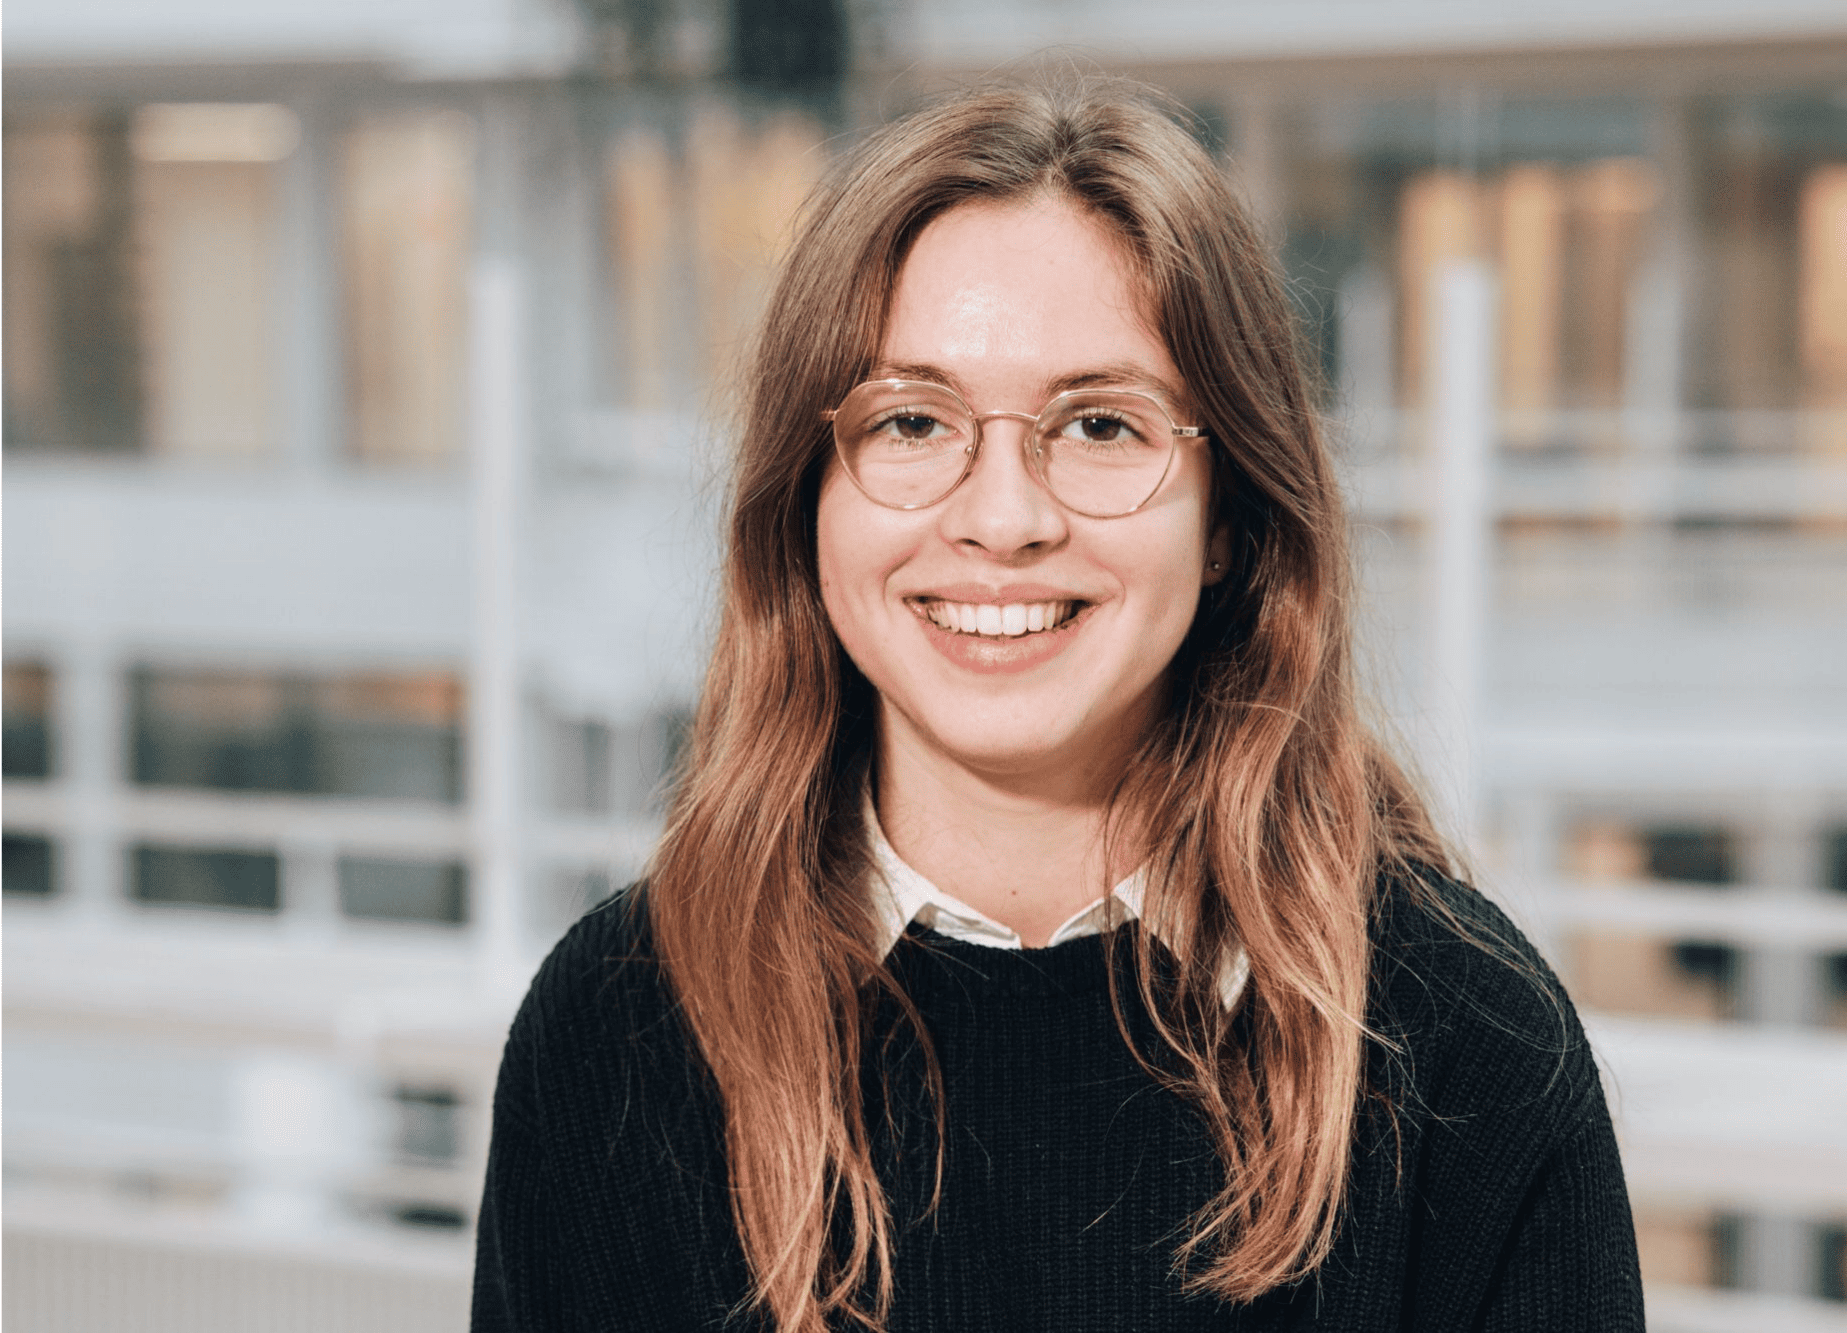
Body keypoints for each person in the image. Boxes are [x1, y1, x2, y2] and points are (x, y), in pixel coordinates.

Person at [473, 79, 1643, 1332]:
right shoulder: (620, 1028)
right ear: (807, 502)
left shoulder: (1463, 1041)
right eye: (911, 420)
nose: (1003, 518)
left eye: (1097, 425)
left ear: (1229, 519)